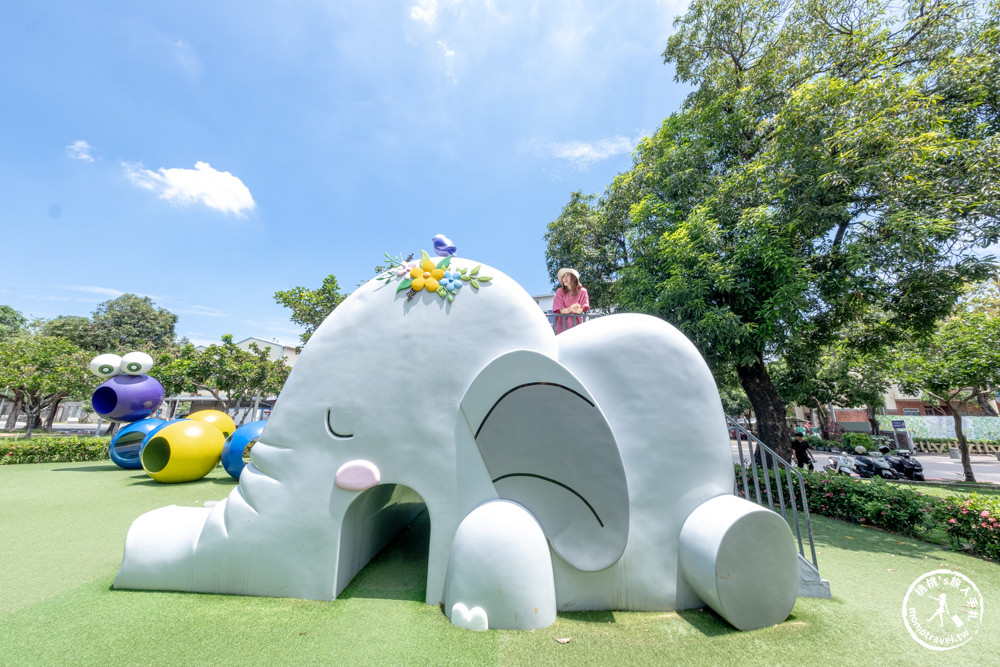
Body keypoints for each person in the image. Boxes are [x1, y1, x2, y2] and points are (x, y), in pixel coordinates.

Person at [552, 268, 590, 334]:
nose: (564, 278)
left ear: (574, 278)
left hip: (577, 327)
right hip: (561, 327)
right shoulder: (559, 291)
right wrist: (571, 309)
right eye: (563, 276)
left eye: (568, 275)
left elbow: (582, 309)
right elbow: (561, 310)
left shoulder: (583, 291)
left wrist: (578, 310)